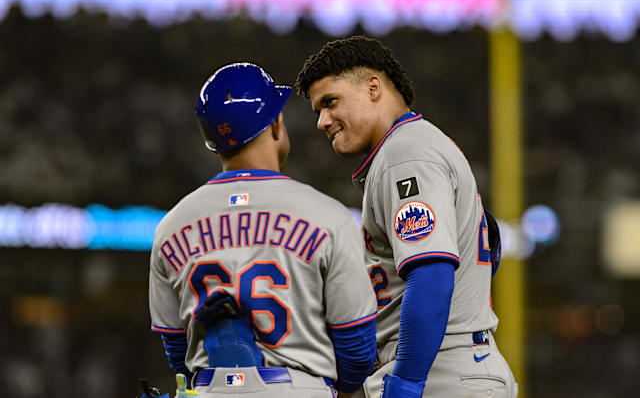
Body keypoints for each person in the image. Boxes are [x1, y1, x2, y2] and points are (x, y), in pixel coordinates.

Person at [295, 36, 517, 398]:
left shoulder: (405, 154)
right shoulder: (413, 148)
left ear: (372, 87)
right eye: (318, 110)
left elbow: (431, 275)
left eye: (330, 102)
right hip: (453, 366)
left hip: (439, 371)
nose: (322, 121)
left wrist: (406, 383)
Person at [148, 62, 378, 398]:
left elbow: (175, 349)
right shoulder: (328, 216)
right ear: (275, 123)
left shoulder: (170, 226)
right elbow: (356, 348)